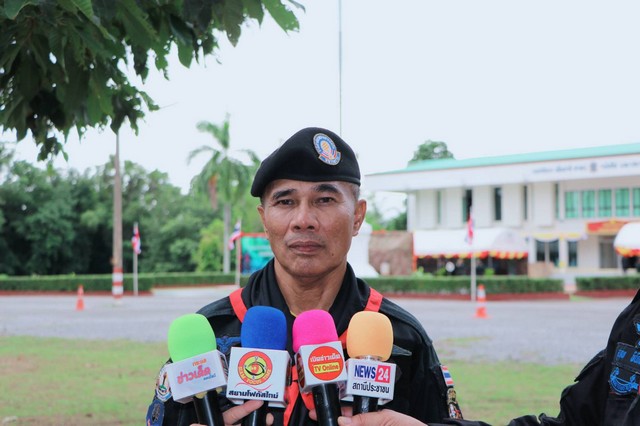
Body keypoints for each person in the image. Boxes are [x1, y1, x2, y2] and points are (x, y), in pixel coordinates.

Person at [147, 127, 484, 425]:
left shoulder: (402, 339)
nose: (303, 220)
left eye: (324, 199)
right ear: (264, 219)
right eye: (285, 202)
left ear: (357, 217)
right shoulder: (211, 336)